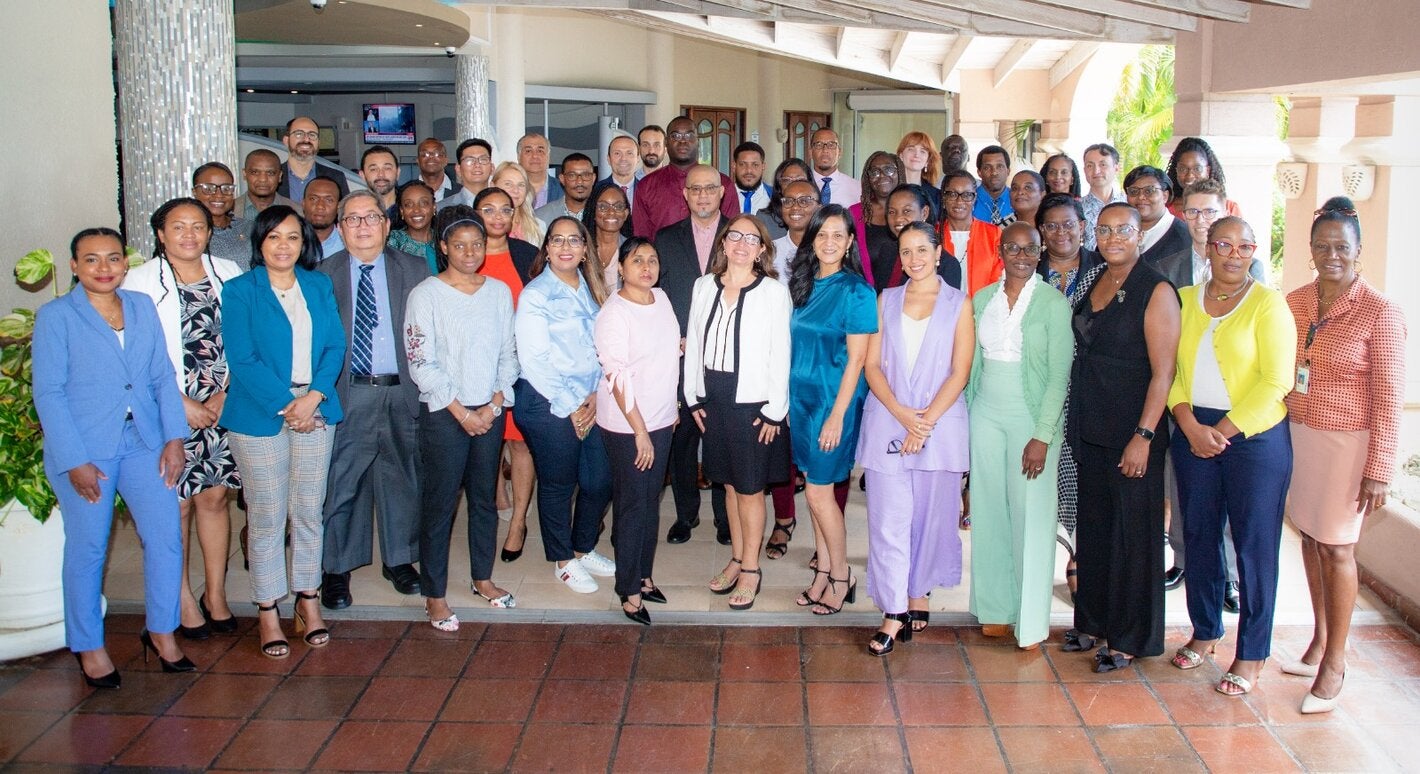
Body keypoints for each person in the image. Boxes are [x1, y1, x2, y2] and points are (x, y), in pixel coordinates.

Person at [34, 227, 194, 688]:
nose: (104, 268)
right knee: (88, 549)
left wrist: (174, 438)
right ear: (74, 266)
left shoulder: (141, 307)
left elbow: (162, 376)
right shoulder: (56, 317)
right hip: (86, 450)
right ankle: (89, 645)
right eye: (91, 260)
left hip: (145, 441)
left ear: (125, 263)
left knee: (165, 538)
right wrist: (74, 459)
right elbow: (48, 393)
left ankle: (162, 632)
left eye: (112, 258)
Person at [1285, 198, 1406, 714]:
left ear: (1359, 250)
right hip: (1299, 436)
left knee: (1337, 548)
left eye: (1342, 246)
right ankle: (1318, 640)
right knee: (1310, 541)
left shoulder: (1381, 311)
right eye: (1322, 246)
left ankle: (1336, 662)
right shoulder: (1296, 301)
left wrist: (1379, 469)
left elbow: (1389, 396)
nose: (1331, 254)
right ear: (1311, 251)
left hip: (1347, 444)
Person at [1166, 216, 1295, 697]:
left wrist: (1218, 432)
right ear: (1208, 247)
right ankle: (1205, 630)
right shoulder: (1183, 302)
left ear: (1254, 251)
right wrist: (1188, 423)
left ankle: (1253, 652)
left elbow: (1276, 382)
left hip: (1254, 438)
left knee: (1253, 547)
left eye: (1245, 246)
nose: (1234, 254)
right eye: (1225, 244)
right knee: (1198, 535)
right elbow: (1170, 369)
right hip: (1192, 428)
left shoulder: (1269, 305)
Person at [221, 206, 345, 659]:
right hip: (260, 414)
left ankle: (308, 600)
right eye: (274, 237)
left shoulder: (317, 284)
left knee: (309, 511)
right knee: (269, 516)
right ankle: (268, 609)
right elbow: (243, 358)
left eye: (292, 237)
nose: (283, 246)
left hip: (315, 408)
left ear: (303, 242)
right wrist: (289, 405)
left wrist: (313, 397)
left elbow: (334, 344)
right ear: (260, 242)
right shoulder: (239, 291)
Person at [1064, 202, 1180, 672]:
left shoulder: (1155, 290)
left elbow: (1164, 372)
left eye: (1123, 231)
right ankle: (1092, 621)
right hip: (1091, 424)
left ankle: (1130, 635)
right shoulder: (1094, 278)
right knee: (1095, 530)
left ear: (1140, 234)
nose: (1112, 238)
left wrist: (1144, 435)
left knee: (1134, 536)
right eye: (1105, 230)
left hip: (1133, 430)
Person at [122, 198, 243, 640]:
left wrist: (226, 394)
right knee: (175, 505)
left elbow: (246, 337)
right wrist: (177, 402)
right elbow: (130, 356)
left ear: (210, 232)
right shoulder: (136, 283)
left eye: (198, 226)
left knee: (213, 498)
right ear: (160, 234)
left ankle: (215, 594)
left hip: (222, 405)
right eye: (179, 227)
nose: (190, 234)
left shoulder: (229, 272)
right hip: (163, 408)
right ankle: (180, 597)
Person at [858, 221, 973, 653]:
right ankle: (892, 611)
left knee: (930, 519)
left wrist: (924, 424)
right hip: (890, 419)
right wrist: (905, 416)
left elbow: (959, 371)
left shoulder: (959, 304)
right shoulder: (885, 300)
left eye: (921, 250)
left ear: (938, 252)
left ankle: (918, 592)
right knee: (888, 521)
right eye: (905, 252)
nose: (914, 259)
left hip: (939, 426)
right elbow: (872, 367)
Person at [405, 212, 519, 630]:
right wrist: (461, 412)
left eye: (477, 244)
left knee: (484, 501)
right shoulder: (426, 294)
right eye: (460, 245)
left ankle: (482, 579)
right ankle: (434, 595)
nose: (470, 252)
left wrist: (491, 406)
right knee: (440, 505)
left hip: (488, 412)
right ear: (443, 248)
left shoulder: (499, 292)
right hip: (444, 415)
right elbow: (421, 361)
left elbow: (509, 353)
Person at [316, 191, 430, 609]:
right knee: (344, 482)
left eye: (371, 218)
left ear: (386, 224)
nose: (363, 226)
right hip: (350, 390)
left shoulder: (414, 269)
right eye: (353, 219)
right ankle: (337, 567)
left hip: (402, 389)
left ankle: (400, 559)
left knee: (403, 477)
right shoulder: (322, 275)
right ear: (341, 227)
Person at [967, 222, 1073, 651]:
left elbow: (1059, 375)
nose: (1022, 256)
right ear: (1001, 251)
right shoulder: (983, 300)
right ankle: (996, 609)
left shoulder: (1052, 303)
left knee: (1031, 516)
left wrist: (1042, 435)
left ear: (1040, 251)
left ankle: (1029, 620)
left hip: (1031, 419)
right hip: (985, 414)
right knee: (989, 511)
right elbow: (972, 363)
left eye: (1031, 249)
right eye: (1014, 248)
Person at [1156, 178, 1261, 602]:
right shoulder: (1167, 267)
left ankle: (1230, 575)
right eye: (1194, 212)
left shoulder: (1252, 270)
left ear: (1224, 210)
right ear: (1183, 214)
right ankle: (1183, 559)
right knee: (1184, 488)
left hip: (1236, 404)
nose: (1202, 220)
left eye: (1210, 212)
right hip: (1184, 398)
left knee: (1235, 498)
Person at [684, 215, 792, 610]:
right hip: (714, 398)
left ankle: (751, 568)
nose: (743, 244)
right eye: (735, 236)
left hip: (753, 402)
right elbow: (694, 341)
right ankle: (735, 558)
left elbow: (782, 353)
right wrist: (692, 395)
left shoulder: (773, 292)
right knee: (727, 484)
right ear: (723, 243)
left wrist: (774, 411)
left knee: (749, 490)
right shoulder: (702, 286)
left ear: (762, 249)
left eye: (752, 239)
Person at [514, 217, 616, 594]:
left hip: (590, 399)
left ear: (585, 248)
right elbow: (535, 359)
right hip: (548, 403)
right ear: (547, 248)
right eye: (557, 240)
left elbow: (600, 346)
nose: (566, 246)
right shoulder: (537, 294)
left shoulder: (590, 288)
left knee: (600, 478)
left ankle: (582, 545)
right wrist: (574, 404)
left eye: (574, 239)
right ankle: (562, 560)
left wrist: (595, 394)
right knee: (559, 483)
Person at [789, 204, 878, 615]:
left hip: (833, 401)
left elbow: (858, 360)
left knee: (821, 493)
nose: (829, 242)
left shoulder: (857, 291)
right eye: (822, 234)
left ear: (849, 243)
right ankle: (823, 572)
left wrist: (838, 414)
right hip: (801, 400)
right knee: (813, 492)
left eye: (838, 236)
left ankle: (842, 576)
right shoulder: (802, 285)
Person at [595, 238, 681, 624]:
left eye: (652, 260)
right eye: (636, 260)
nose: (646, 267)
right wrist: (640, 431)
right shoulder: (615, 313)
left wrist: (672, 408)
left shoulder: (661, 299)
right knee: (632, 506)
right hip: (629, 426)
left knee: (651, 503)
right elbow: (617, 376)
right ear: (622, 268)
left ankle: (644, 575)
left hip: (662, 418)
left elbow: (667, 354)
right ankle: (628, 589)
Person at [655, 164, 733, 546]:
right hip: (680, 358)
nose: (702, 195)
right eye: (695, 189)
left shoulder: (740, 236)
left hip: (726, 359)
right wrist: (674, 338)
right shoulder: (666, 239)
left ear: (722, 192)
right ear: (684, 195)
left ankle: (724, 517)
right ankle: (686, 515)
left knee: (720, 436)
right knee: (682, 439)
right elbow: (658, 296)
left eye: (710, 189)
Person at [1034, 193, 1103, 594]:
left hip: (1090, 390)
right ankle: (1041, 560)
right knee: (1048, 478)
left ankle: (1081, 557)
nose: (1061, 232)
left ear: (1083, 226)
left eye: (1069, 224)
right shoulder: (1029, 269)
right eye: (1052, 225)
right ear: (1041, 231)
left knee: (1083, 477)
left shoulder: (1105, 271)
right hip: (1040, 389)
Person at [468, 188, 540, 563]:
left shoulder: (527, 255)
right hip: (475, 367)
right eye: (488, 209)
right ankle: (495, 498)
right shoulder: (466, 254)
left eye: (505, 210)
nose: (497, 217)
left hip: (520, 365)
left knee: (519, 443)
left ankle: (518, 522)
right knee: (486, 442)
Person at [632, 116, 737, 239]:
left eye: (689, 136)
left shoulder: (722, 184)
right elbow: (641, 238)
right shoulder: (646, 185)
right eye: (676, 136)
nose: (683, 141)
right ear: (666, 142)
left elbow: (733, 232)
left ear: (698, 141)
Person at [883, 184, 961, 291]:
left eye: (907, 211)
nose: (898, 218)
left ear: (924, 213)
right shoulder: (886, 251)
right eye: (892, 212)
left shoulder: (947, 264)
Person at [939, 170, 1002, 295]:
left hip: (983, 309)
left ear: (974, 199)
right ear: (944, 198)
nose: (959, 201)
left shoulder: (994, 234)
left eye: (967, 195)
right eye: (952, 194)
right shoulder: (931, 235)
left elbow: (999, 280)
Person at [849, 151, 905, 289]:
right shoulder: (855, 213)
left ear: (899, 173)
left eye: (889, 169)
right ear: (868, 178)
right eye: (875, 172)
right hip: (866, 296)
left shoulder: (911, 210)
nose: (882, 176)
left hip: (905, 296)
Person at [1125, 166, 1191, 268]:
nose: (1141, 196)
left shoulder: (1184, 236)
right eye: (1134, 191)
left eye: (1149, 191)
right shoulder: (1118, 231)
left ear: (1165, 196)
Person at [275, 117, 349, 202]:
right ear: (286, 140)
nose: (306, 139)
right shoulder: (272, 177)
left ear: (318, 143)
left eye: (312, 135)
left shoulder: (337, 177)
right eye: (299, 134)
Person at [192, 162, 250, 269]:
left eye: (226, 188)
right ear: (194, 192)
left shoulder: (248, 228)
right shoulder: (188, 234)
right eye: (209, 188)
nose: (219, 195)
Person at [1165, 137, 1241, 219]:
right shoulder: (1165, 209)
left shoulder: (1229, 207)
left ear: (1207, 170)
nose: (1190, 175)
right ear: (1176, 170)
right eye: (1183, 169)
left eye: (1197, 169)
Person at [769, 177, 820, 282]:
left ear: (819, 208)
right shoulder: (770, 251)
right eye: (788, 201)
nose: (795, 207)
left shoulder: (827, 250)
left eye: (804, 201)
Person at [583, 180, 629, 291]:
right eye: (603, 207)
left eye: (618, 207)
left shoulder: (632, 251)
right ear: (593, 212)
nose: (611, 212)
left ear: (626, 214)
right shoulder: (581, 249)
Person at [1080, 143, 1125, 250]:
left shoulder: (1128, 204)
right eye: (1090, 166)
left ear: (1116, 168)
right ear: (1084, 170)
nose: (1096, 171)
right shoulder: (1076, 208)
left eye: (1103, 164)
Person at [758, 158, 813, 242]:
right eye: (787, 180)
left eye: (800, 180)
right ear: (779, 187)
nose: (793, 185)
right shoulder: (764, 218)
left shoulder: (819, 216)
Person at [388, 180, 438, 274]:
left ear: (434, 207)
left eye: (423, 203)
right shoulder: (393, 242)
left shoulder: (445, 239)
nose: (416, 210)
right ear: (402, 211)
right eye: (409, 205)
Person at [491, 161, 546, 244]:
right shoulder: (484, 224)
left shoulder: (539, 227)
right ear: (493, 186)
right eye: (508, 184)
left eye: (521, 185)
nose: (516, 190)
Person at [236, 148, 299, 218]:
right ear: (245, 174)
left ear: (280, 176)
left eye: (270, 173)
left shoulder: (297, 211)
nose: (263, 179)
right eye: (255, 172)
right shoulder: (229, 210)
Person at [534, 153, 597, 221]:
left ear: (593, 178)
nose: (579, 181)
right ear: (562, 179)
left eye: (586, 175)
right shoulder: (541, 216)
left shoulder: (605, 215)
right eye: (572, 175)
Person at [437, 138, 494, 212]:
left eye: (483, 159)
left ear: (492, 168)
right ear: (458, 169)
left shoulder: (504, 204)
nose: (477, 165)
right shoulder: (442, 208)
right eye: (469, 160)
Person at [808, 128, 861, 206]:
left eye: (831, 145)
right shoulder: (802, 184)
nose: (825, 150)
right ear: (810, 152)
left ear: (839, 152)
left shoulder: (857, 188)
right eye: (819, 145)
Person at [896, 131, 942, 218]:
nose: (916, 155)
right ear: (901, 155)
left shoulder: (936, 196)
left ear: (928, 160)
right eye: (911, 149)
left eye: (923, 151)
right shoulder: (889, 190)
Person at [302, 177, 344, 258]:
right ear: (303, 203)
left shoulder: (349, 244)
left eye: (329, 200)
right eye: (313, 199)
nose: (320, 206)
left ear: (339, 207)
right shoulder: (289, 242)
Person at [517, 133, 562, 208]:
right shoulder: (509, 190)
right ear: (519, 157)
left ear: (548, 157)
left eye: (540, 151)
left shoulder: (563, 191)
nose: (535, 156)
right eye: (528, 151)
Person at [973, 146, 1013, 226]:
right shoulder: (968, 200)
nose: (994, 172)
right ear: (979, 172)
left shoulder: (1017, 199)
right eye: (987, 168)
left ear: (1008, 171)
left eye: (1000, 166)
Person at [732, 141, 772, 214]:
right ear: (734, 166)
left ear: (763, 166)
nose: (749, 170)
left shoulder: (775, 197)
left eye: (755, 165)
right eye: (742, 164)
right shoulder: (721, 197)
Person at [601, 134, 640, 207]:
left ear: (637, 158)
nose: (623, 159)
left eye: (629, 153)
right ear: (608, 159)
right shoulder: (597, 190)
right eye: (617, 153)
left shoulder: (646, 190)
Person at [415, 138, 460, 202]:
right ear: (418, 161)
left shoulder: (460, 192)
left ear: (446, 160)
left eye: (437, 154)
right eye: (425, 154)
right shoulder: (406, 192)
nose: (431, 157)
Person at [359, 145, 400, 212]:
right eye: (373, 169)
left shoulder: (410, 210)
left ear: (397, 173)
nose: (381, 174)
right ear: (362, 175)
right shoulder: (353, 211)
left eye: (387, 168)